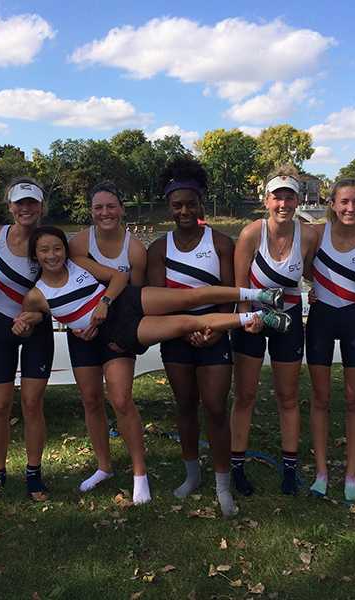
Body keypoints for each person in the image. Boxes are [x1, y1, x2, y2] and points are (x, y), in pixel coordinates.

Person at [18, 226, 289, 503]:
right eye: (44, 250)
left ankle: (258, 296)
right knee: (184, 323)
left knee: (189, 297)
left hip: (126, 302)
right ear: (35, 256)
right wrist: (26, 324)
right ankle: (257, 318)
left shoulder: (77, 263)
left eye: (57, 248)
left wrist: (104, 302)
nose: (52, 255)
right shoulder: (35, 295)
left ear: (64, 249)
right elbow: (34, 317)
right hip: (118, 332)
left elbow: (118, 277)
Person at [147, 157, 237, 517]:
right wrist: (185, 329)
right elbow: (156, 300)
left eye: (190, 204)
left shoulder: (220, 243)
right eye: (177, 205)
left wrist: (216, 329)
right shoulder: (158, 249)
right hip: (177, 338)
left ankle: (222, 484)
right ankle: (191, 475)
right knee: (185, 406)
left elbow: (229, 295)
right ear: (169, 207)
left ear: (201, 204)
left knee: (215, 408)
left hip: (216, 334)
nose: (184, 211)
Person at [230, 167, 318, 497]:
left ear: (297, 200)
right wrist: (244, 317)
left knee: (288, 395)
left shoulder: (308, 234)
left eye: (289, 196)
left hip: (289, 315)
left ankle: (290, 469)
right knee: (246, 394)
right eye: (277, 196)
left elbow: (316, 264)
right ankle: (237, 466)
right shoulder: (252, 233)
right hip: (252, 313)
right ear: (266, 200)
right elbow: (239, 284)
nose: (283, 203)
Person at [67, 182, 149, 497]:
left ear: (122, 208)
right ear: (91, 211)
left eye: (111, 206)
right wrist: (73, 324)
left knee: (121, 399)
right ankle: (104, 465)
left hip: (117, 335)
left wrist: (127, 340)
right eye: (98, 207)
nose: (105, 213)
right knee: (90, 400)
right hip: (82, 331)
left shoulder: (135, 250)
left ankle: (140, 472)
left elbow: (137, 301)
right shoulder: (77, 244)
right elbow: (64, 290)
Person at [305, 179, 355, 502]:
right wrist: (319, 290)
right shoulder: (316, 234)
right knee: (320, 397)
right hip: (321, 319)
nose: (350, 209)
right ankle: (321, 472)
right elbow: (303, 266)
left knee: (354, 399)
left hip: (354, 321)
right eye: (344, 202)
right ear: (333, 204)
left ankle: (350, 475)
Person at [0, 177, 54, 501]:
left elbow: (60, 287)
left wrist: (35, 316)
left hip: (38, 326)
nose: (25, 209)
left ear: (41, 207)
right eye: (19, 203)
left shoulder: (48, 242)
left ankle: (34, 475)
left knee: (32, 403)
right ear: (9, 206)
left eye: (32, 203)